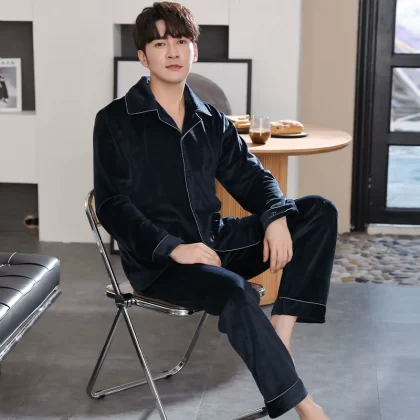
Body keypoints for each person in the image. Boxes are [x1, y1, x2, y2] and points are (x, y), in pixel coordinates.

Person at [93, 2, 337, 418]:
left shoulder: (212, 120)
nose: (173, 51)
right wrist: (173, 247)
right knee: (236, 291)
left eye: (181, 41)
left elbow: (252, 177)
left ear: (194, 51)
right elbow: (112, 206)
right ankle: (304, 405)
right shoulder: (116, 120)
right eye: (160, 44)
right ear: (143, 57)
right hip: (162, 265)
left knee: (318, 211)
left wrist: (275, 216)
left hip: (215, 243)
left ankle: (280, 333)